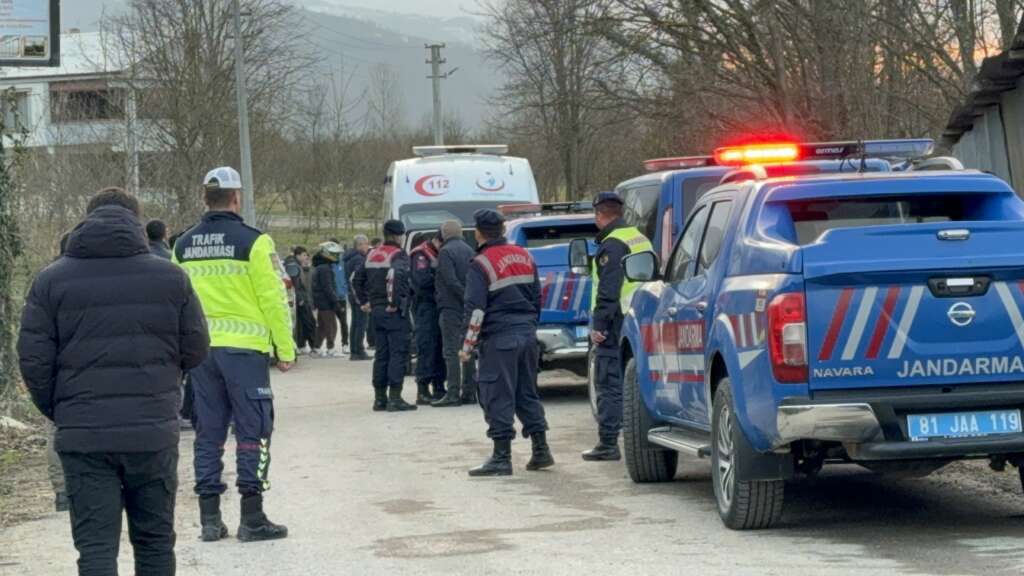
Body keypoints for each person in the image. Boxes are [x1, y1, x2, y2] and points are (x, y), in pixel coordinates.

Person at [18, 187, 209, 575]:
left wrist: (62, 410)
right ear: (137, 224)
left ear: (84, 221)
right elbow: (196, 348)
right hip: (152, 433)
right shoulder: (171, 277)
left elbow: (34, 361)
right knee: (155, 543)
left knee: (95, 550)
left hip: (84, 434)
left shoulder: (51, 280)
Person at [174, 166, 296, 543]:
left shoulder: (183, 245)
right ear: (236, 197)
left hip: (201, 354)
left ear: (205, 197)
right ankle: (252, 516)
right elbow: (273, 298)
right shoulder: (254, 242)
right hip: (244, 353)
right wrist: (285, 348)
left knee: (207, 433)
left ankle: (210, 520)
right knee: (252, 432)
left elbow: (177, 301)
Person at [459, 209, 553, 476]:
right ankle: (541, 450)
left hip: (499, 338)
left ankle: (501, 457)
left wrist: (466, 347)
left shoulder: (481, 263)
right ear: (502, 229)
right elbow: (537, 298)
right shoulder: (525, 255)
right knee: (526, 392)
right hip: (526, 335)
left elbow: (476, 310)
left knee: (497, 394)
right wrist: (529, 328)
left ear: (478, 232)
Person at [583, 192, 653, 462]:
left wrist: (599, 324)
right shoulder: (639, 238)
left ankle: (608, 442)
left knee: (608, 381)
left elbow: (608, 289)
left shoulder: (612, 245)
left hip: (615, 321)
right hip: (640, 317)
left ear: (600, 215)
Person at [353, 221, 416, 412]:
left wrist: (364, 301)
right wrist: (395, 303)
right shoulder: (398, 254)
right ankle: (395, 398)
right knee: (398, 353)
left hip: (376, 311)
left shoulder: (372, 254)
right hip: (393, 312)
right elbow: (397, 276)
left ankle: (379, 398)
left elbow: (356, 279)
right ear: (400, 236)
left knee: (381, 354)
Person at [432, 220, 478, 407]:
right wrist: (469, 299)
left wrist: (462, 296)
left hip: (451, 307)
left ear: (443, 234)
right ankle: (469, 392)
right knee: (468, 349)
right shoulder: (470, 250)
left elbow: (449, 280)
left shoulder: (445, 251)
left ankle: (452, 393)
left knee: (451, 351)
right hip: (468, 309)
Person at [410, 232, 446, 404]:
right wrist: (441, 279)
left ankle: (439, 386)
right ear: (437, 240)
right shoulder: (421, 253)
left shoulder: (438, 252)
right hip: (426, 305)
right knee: (427, 347)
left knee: (440, 347)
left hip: (439, 304)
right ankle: (422, 389)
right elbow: (422, 280)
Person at [311, 242, 343, 358]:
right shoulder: (325, 269)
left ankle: (316, 348)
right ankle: (331, 349)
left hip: (321, 301)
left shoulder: (320, 267)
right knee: (331, 326)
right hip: (326, 302)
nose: (337, 256)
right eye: (335, 254)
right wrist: (335, 301)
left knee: (323, 326)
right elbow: (328, 287)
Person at [343, 235, 371, 360]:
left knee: (355, 323)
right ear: (359, 245)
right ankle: (359, 351)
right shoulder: (359, 259)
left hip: (352, 294)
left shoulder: (349, 258)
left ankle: (354, 350)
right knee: (361, 324)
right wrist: (363, 299)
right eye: (366, 244)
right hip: (358, 295)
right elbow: (356, 280)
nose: (368, 247)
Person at [286, 246, 317, 355]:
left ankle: (302, 345)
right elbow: (295, 285)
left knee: (301, 324)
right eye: (304, 255)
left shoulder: (296, 265)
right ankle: (314, 346)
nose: (306, 257)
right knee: (309, 322)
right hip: (300, 299)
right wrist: (300, 299)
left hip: (301, 298)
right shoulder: (293, 266)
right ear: (297, 255)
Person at [329, 238, 350, 354]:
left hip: (341, 297)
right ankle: (330, 346)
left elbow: (346, 277)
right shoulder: (326, 263)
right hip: (330, 297)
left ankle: (345, 344)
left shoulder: (343, 262)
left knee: (343, 322)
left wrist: (345, 289)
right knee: (329, 323)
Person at [366, 237, 383, 349]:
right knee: (371, 320)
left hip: (371, 293)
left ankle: (372, 341)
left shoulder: (369, 256)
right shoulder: (373, 256)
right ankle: (372, 342)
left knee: (371, 320)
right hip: (373, 293)